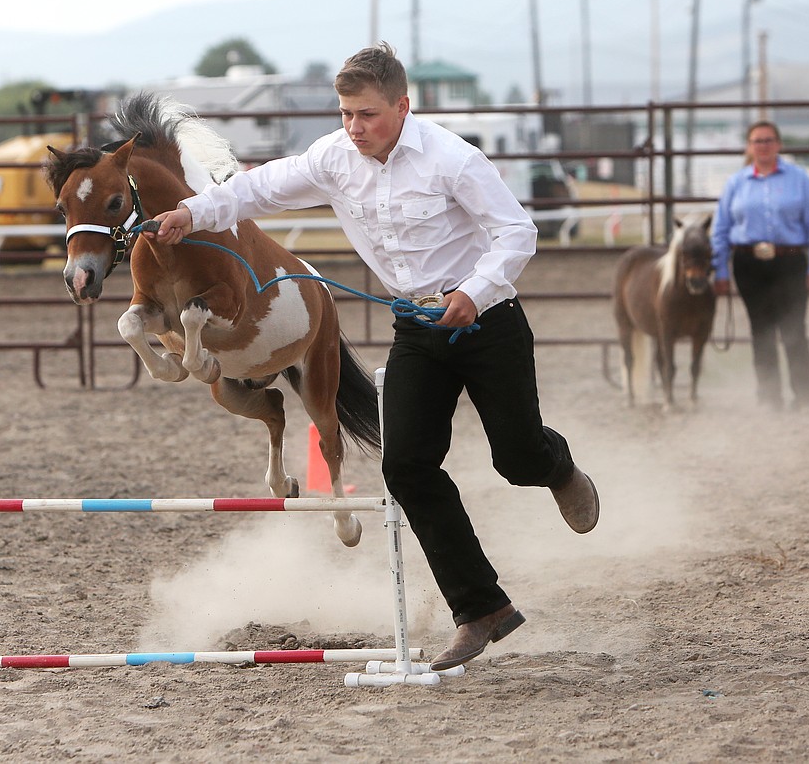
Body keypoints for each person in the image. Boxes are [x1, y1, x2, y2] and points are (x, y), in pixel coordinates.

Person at [148, 42, 599, 672]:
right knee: (407, 467)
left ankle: (557, 468)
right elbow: (256, 189)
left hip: (488, 323)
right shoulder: (333, 159)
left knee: (516, 458)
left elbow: (517, 233)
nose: (354, 128)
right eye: (345, 114)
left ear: (402, 107)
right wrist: (189, 212)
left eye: (366, 114)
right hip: (417, 330)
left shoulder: (452, 158)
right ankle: (481, 609)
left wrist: (474, 291)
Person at [711, 120, 809, 411]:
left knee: (794, 329)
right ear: (749, 147)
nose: (762, 146)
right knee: (760, 330)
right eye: (757, 141)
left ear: (778, 144)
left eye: (768, 140)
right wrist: (721, 270)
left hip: (789, 261)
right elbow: (721, 229)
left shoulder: (798, 179)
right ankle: (769, 397)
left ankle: (806, 395)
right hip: (749, 263)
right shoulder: (736, 183)